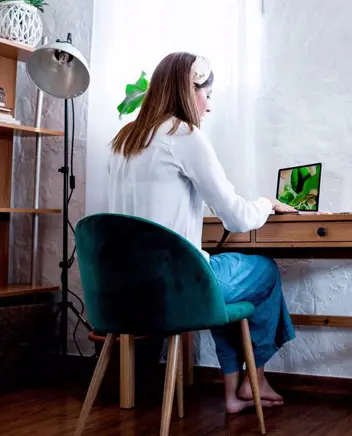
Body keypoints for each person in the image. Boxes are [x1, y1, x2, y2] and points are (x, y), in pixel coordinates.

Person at [107, 52, 297, 414]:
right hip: (176, 290)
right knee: (264, 272)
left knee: (222, 281)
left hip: (124, 294)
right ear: (186, 88)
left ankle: (233, 392)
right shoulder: (183, 134)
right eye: (206, 94)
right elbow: (237, 219)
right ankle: (252, 382)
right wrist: (266, 203)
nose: (208, 106)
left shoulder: (124, 139)